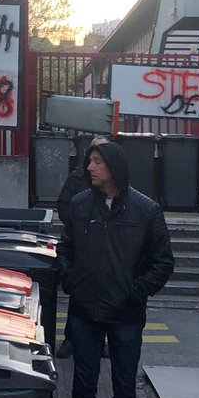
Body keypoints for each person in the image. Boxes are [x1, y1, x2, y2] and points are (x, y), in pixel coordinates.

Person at [59, 139, 175, 398]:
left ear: (114, 167)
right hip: (84, 313)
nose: (89, 168)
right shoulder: (80, 204)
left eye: (96, 162)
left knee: (124, 391)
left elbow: (163, 262)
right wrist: (72, 281)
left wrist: (135, 291)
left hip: (126, 316)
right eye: (89, 161)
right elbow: (64, 248)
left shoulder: (146, 210)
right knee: (83, 388)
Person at [56, 135, 111, 358]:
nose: (94, 163)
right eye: (94, 154)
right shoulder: (77, 177)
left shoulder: (115, 181)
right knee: (79, 299)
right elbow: (62, 205)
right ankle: (71, 340)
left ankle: (100, 342)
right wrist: (78, 223)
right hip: (80, 245)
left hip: (104, 248)